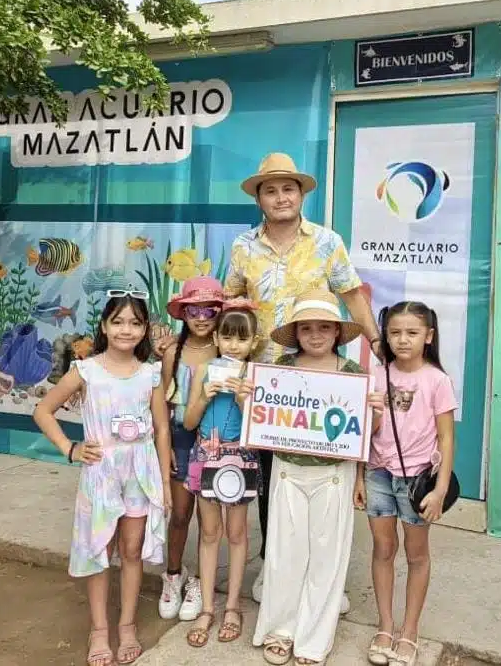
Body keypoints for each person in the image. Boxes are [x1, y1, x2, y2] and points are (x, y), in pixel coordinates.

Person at [224, 152, 383, 610]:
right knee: (273, 480)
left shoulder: (327, 241)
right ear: (259, 198)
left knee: (326, 482)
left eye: (287, 188)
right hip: (266, 386)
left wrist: (379, 346)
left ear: (301, 194)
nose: (280, 197)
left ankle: (325, 580)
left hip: (319, 382)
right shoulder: (242, 247)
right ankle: (274, 570)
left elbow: (352, 296)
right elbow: (228, 302)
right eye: (270, 190)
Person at [33, 289, 171, 666]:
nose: (127, 329)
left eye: (135, 322)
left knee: (131, 550)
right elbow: (43, 411)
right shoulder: (86, 370)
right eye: (119, 321)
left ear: (144, 330)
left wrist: (162, 483)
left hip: (140, 473)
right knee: (100, 551)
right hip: (101, 473)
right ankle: (99, 629)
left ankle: (126, 625)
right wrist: (71, 448)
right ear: (105, 327)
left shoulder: (150, 375)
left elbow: (161, 430)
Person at [252, 289, 386, 665]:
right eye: (307, 328)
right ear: (296, 333)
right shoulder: (282, 369)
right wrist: (251, 398)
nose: (315, 335)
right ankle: (281, 628)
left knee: (327, 556)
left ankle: (313, 639)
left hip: (334, 474)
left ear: (336, 333)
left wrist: (375, 413)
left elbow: (364, 433)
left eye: (324, 327)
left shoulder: (353, 375)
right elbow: (264, 417)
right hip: (288, 471)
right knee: (284, 552)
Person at [356, 301, 456, 666]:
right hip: (378, 474)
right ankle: (385, 625)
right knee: (383, 549)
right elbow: (366, 432)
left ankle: (409, 630)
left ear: (428, 337)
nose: (402, 340)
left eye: (412, 333)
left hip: (418, 480)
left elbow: (446, 439)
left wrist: (440, 489)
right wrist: (360, 475)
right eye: (395, 332)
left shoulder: (437, 380)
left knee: (416, 555)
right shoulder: (376, 375)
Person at [182, 301, 261, 648]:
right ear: (216, 337)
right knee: (209, 532)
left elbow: (263, 429)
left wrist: (246, 401)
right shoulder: (205, 370)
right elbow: (187, 421)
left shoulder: (257, 375)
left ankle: (232, 606)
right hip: (205, 452)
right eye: (227, 336)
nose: (232, 345)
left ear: (254, 342)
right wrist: (203, 396)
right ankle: (208, 607)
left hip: (241, 457)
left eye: (241, 339)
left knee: (238, 532)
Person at [157, 276, 225, 622]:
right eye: (193, 310)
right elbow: (162, 404)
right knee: (181, 513)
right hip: (181, 441)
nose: (201, 317)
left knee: (208, 519)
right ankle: (173, 575)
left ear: (219, 313)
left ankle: (200, 581)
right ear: (183, 313)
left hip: (215, 440)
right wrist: (164, 444)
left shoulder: (225, 349)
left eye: (209, 310)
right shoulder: (172, 351)